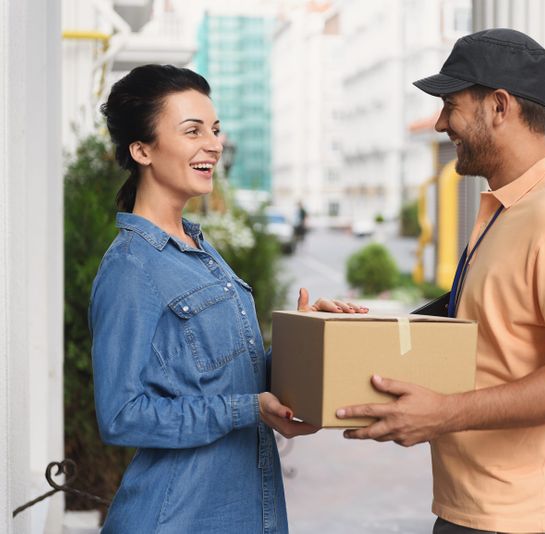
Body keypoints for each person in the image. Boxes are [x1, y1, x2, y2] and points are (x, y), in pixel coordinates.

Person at [336, 29, 545, 534]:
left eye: (451, 106)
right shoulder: (506, 208)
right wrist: (350, 335)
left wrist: (446, 413)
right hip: (472, 511)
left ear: (499, 106)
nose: (441, 123)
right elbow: (482, 330)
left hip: (528, 519)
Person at [91, 64, 366, 534]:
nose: (214, 144)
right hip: (178, 518)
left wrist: (307, 338)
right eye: (192, 130)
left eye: (215, 130)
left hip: (246, 511)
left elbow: (234, 377)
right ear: (142, 150)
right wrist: (246, 409)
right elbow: (121, 416)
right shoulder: (131, 267)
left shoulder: (200, 249)